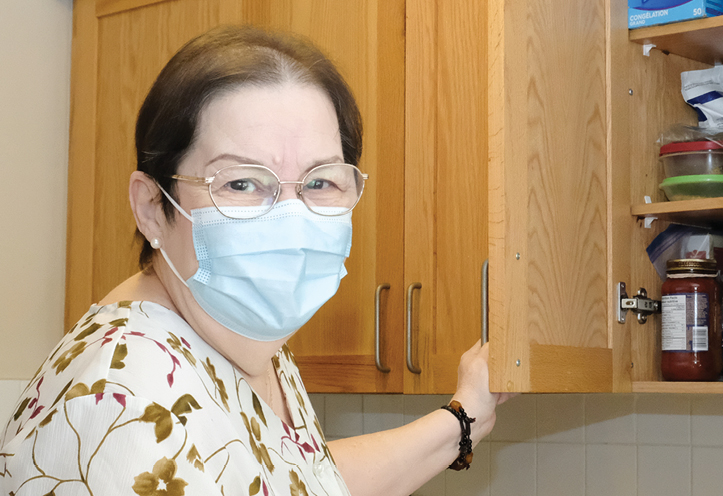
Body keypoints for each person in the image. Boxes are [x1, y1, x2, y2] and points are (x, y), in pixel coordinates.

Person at [0, 25, 511, 496]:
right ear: (152, 207)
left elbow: (294, 475)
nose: (289, 219)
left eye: (320, 182)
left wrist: (464, 419)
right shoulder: (130, 405)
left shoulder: (233, 336)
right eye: (241, 182)